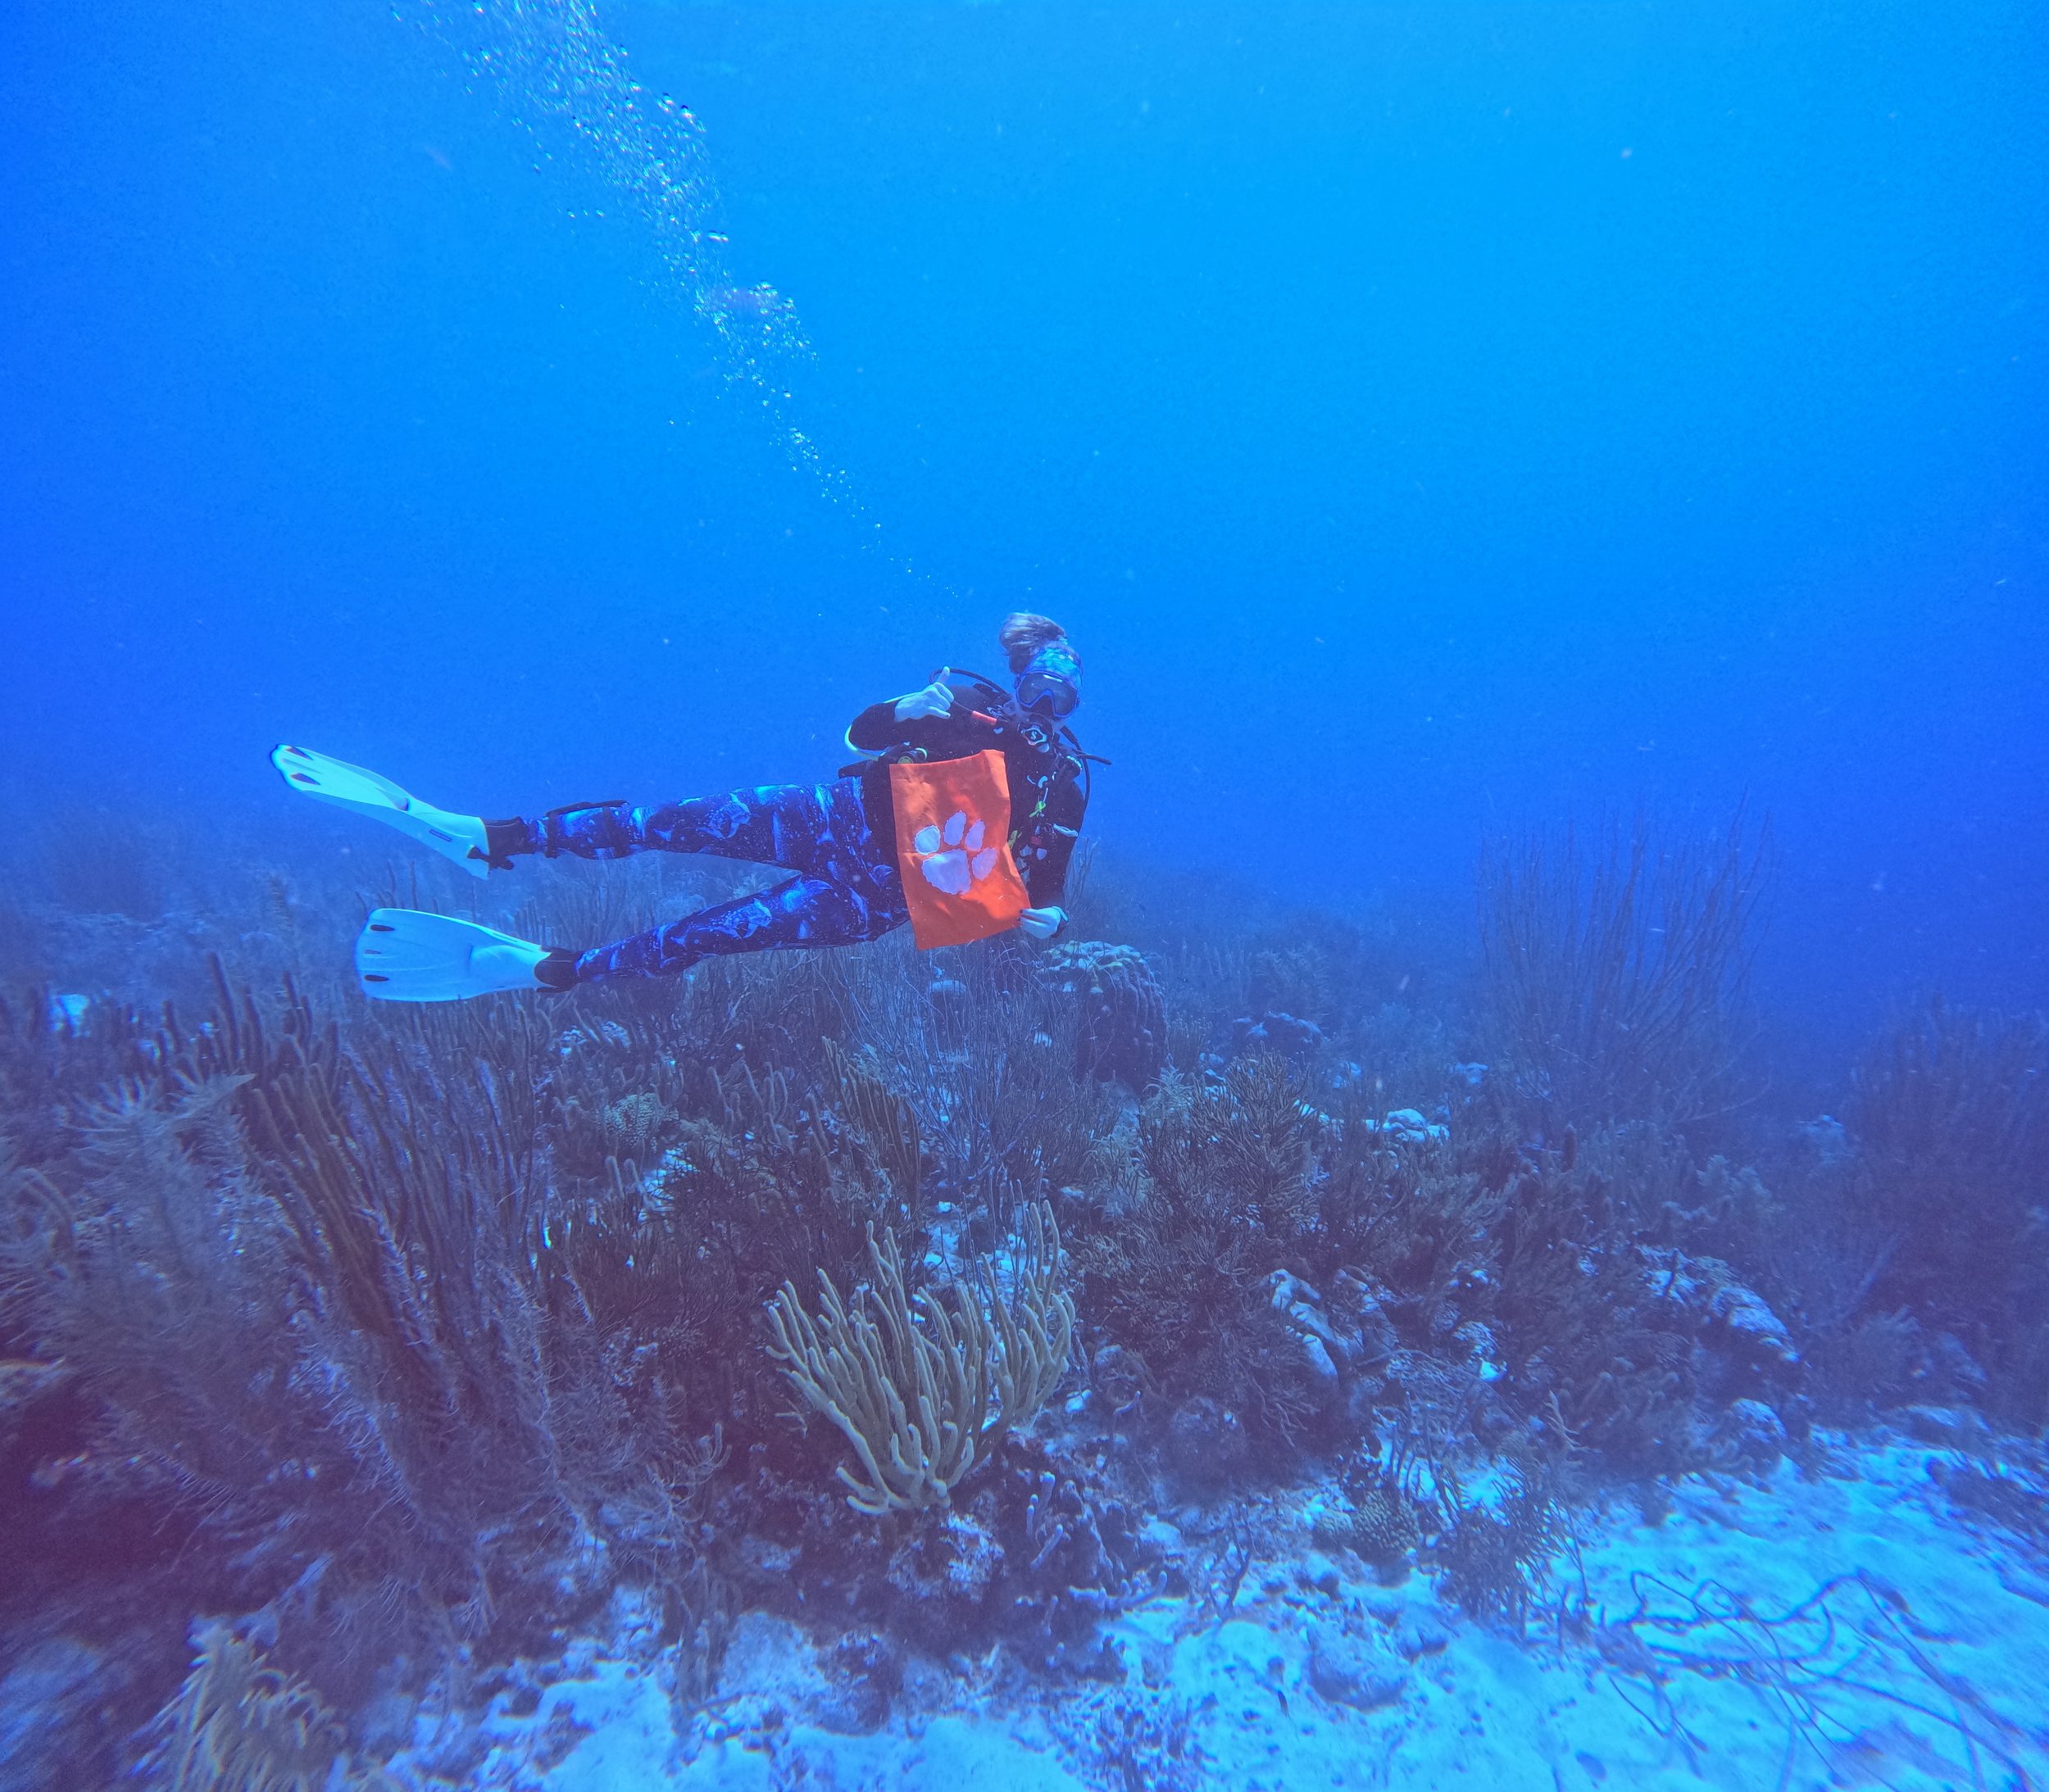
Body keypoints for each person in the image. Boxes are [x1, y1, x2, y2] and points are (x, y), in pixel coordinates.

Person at [274, 614, 1092, 1001]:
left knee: (699, 935)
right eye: (1039, 669)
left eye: (1064, 675)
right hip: (829, 815)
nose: (1048, 687)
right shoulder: (966, 702)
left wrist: (1042, 918)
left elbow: (1047, 889)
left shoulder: (1068, 780)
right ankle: (493, 838)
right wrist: (902, 710)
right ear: (1018, 672)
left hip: (878, 895)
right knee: (659, 820)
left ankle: (553, 969)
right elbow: (859, 731)